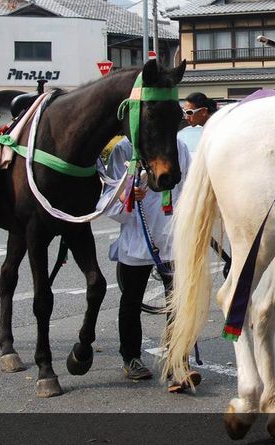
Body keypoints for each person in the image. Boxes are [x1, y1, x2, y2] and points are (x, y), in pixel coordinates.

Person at [97, 136, 201, 392]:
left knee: (179, 302)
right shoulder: (125, 150)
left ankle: (178, 363)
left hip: (172, 236)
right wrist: (127, 197)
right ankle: (131, 358)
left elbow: (189, 187)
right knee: (131, 300)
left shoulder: (177, 146)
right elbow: (107, 198)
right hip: (138, 237)